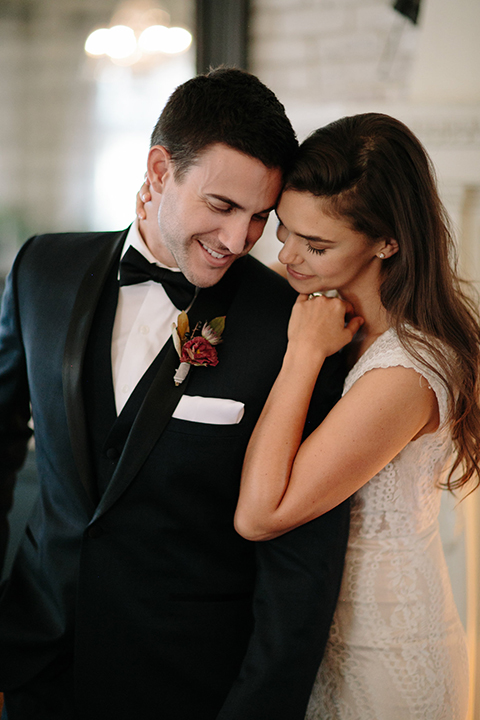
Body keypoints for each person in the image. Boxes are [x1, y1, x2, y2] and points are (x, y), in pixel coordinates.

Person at [0, 68, 350, 720]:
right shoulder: (40, 269)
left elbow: (301, 567)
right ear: (160, 170)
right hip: (35, 669)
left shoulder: (292, 326)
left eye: (259, 218)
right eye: (221, 207)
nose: (237, 241)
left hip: (191, 689)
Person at [234, 113, 480, 719]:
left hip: (385, 651)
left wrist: (303, 356)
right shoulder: (320, 304)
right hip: (309, 635)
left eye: (317, 246)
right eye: (285, 230)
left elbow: (261, 515)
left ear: (386, 241)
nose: (289, 257)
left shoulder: (407, 370)